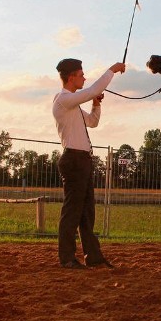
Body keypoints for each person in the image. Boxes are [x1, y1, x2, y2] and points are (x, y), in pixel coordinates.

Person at [53, 58, 125, 269]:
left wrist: (96, 104)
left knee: (86, 212)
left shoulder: (72, 105)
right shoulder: (63, 99)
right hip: (74, 160)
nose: (84, 77)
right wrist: (113, 69)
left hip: (81, 160)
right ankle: (66, 258)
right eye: (81, 74)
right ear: (71, 77)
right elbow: (94, 88)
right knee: (72, 211)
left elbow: (93, 122)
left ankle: (93, 256)